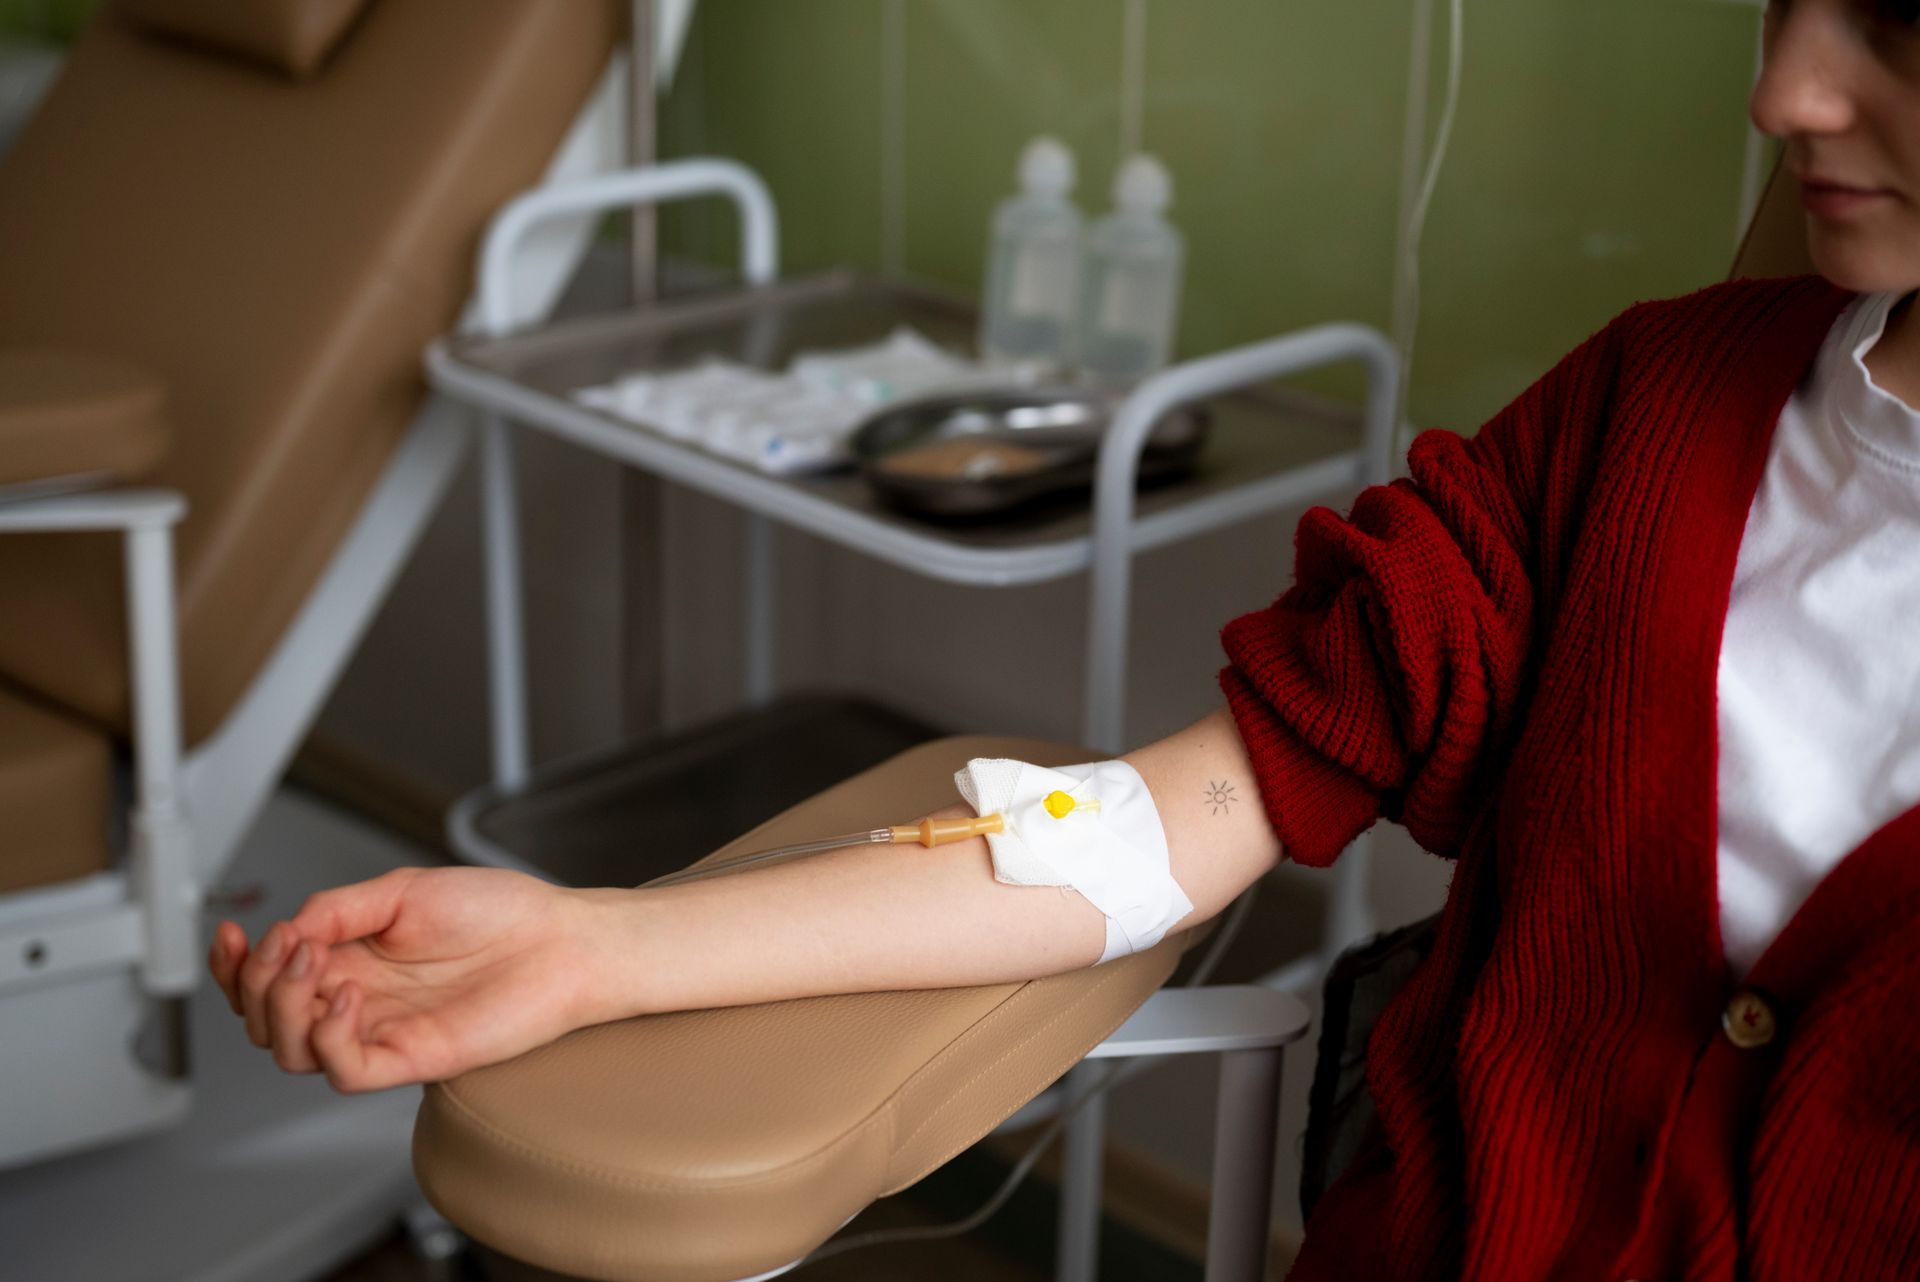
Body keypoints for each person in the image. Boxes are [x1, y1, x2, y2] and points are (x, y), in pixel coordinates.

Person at [211, 1, 1920, 1276]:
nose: (1785, 92)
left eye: (1894, 26)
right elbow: (1164, 821)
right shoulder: (1650, 417)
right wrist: (596, 946)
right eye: (1781, 1)